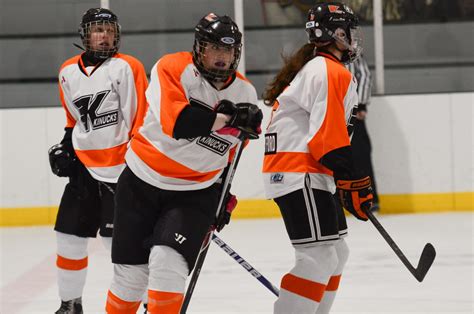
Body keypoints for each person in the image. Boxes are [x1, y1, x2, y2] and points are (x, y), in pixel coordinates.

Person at [105, 13, 262, 314]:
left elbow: (230, 154)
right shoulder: (172, 67)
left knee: (168, 264)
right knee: (130, 279)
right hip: (140, 183)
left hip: (195, 193)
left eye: (227, 51)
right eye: (214, 48)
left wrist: (222, 195)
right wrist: (228, 119)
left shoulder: (245, 93)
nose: (221, 57)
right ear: (199, 48)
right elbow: (178, 123)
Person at [262, 2, 373, 313]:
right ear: (336, 33)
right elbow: (326, 138)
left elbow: (327, 137)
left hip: (308, 171)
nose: (354, 37)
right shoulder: (327, 70)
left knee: (337, 252)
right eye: (349, 31)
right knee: (319, 256)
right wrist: (352, 178)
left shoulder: (321, 68)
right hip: (299, 171)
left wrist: (346, 178)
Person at [48, 8, 148, 314]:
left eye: (108, 30)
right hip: (83, 170)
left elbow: (140, 119)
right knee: (68, 238)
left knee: (118, 246)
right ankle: (70, 305)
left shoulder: (127, 67)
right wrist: (66, 144)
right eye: (97, 30)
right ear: (85, 35)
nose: (104, 35)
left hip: (120, 170)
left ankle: (150, 304)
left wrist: (136, 169)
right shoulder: (67, 71)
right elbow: (73, 118)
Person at [347, 54, 380, 211]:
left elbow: (365, 76)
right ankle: (361, 198)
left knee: (360, 154)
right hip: (344, 113)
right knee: (354, 155)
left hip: (348, 113)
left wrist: (359, 104)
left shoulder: (349, 52)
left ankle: (368, 197)